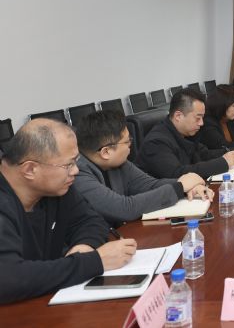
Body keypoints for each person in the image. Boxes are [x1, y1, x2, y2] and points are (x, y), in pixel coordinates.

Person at [0, 119, 137, 303]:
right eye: (68, 164)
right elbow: (9, 279)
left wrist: (84, 247)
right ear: (30, 169)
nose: (76, 171)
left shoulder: (55, 189)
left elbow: (91, 221)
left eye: (76, 161)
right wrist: (93, 262)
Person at [74, 111, 213, 227]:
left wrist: (189, 187)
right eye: (127, 141)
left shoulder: (118, 163)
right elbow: (124, 208)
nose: (130, 145)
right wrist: (179, 187)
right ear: (106, 152)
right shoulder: (77, 173)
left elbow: (150, 185)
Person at [137, 89, 234, 179]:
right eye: (197, 118)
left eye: (202, 117)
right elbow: (177, 174)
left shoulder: (185, 133)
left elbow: (204, 154)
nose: (202, 123)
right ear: (178, 116)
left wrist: (232, 153)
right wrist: (224, 162)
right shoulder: (157, 142)